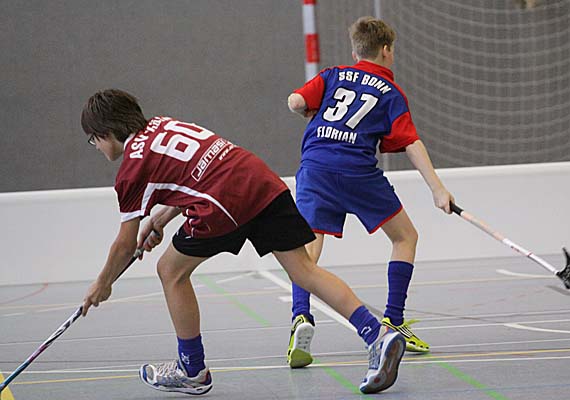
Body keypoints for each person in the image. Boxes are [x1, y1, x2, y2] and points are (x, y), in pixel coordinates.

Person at [80, 88, 406, 395]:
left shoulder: (131, 169)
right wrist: (160, 219)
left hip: (224, 202)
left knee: (170, 271)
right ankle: (377, 335)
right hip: (259, 179)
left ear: (105, 132)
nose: (95, 147)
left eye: (93, 140)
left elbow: (125, 245)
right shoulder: (162, 125)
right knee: (304, 271)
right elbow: (196, 172)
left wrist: (102, 284)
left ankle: (192, 369)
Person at [286, 16, 454, 369]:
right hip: (356, 172)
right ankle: (393, 321)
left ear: (355, 52)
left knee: (307, 249)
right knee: (405, 237)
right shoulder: (391, 92)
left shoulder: (332, 75)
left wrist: (308, 110)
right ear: (387, 50)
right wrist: (437, 189)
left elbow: (296, 102)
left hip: (315, 167)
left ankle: (300, 316)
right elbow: (411, 142)